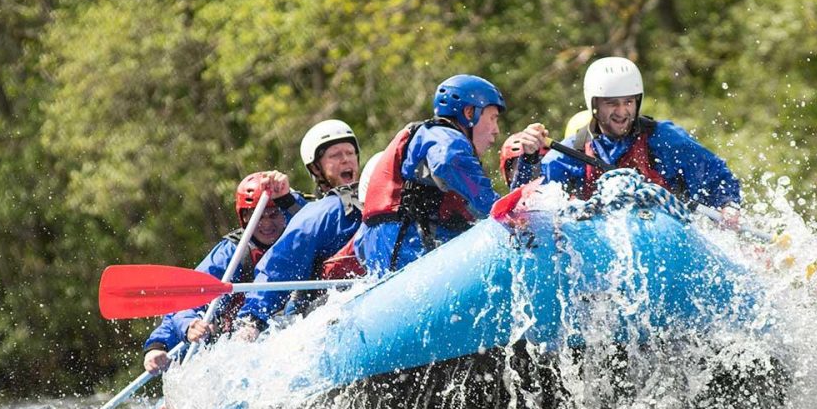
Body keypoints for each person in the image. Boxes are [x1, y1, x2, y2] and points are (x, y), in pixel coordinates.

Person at [356, 74, 548, 274]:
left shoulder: (449, 149)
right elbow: (447, 161)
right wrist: (493, 206)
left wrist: (528, 158)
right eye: (492, 118)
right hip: (398, 243)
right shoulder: (442, 136)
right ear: (469, 113)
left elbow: (512, 207)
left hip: (401, 242)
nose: (496, 130)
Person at [499, 56, 741, 209]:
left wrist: (728, 206)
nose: (622, 111)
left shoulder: (664, 139)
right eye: (612, 103)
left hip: (668, 235)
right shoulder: (572, 151)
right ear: (594, 104)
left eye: (628, 102)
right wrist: (529, 157)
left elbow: (716, 175)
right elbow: (527, 207)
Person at [141, 170, 302, 374]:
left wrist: (288, 199)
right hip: (240, 340)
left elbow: (314, 217)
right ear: (244, 218)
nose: (267, 224)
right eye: (258, 216)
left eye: (274, 214)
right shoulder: (230, 254)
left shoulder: (301, 237)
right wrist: (161, 344)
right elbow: (188, 298)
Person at [235, 119, 367, 326]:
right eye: (335, 155)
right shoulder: (319, 213)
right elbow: (282, 263)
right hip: (321, 308)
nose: (346, 160)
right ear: (316, 168)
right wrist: (253, 319)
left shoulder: (374, 197)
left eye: (350, 153)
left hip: (365, 292)